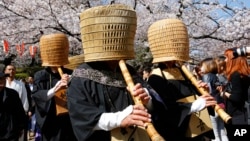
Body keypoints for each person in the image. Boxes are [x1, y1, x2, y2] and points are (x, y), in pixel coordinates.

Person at [67, 4, 162, 141]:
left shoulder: (130, 71)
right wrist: (120, 118)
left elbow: (154, 106)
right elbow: (82, 117)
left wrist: (147, 101)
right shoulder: (81, 75)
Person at [147, 18, 217, 141]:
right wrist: (194, 105)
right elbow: (164, 111)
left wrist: (204, 93)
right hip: (176, 134)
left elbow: (202, 103)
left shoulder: (185, 73)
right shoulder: (155, 78)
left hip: (197, 130)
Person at [32, 33, 77, 141]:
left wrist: (74, 83)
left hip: (69, 121)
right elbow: (37, 96)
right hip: (51, 122)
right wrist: (55, 89)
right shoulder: (41, 75)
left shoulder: (71, 73)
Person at [217, 48, 250, 140]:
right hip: (240, 115)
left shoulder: (236, 75)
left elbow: (236, 98)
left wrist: (223, 93)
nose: (225, 60)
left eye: (227, 57)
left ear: (233, 60)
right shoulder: (242, 75)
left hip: (238, 116)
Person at [199, 58, 228, 141]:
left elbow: (208, 92)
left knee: (215, 133)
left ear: (207, 66)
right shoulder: (216, 76)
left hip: (213, 106)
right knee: (222, 130)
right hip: (221, 104)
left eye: (202, 66)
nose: (200, 68)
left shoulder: (206, 77)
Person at [4, 64, 30, 141]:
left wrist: (24, 112)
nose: (11, 71)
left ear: (15, 71)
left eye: (13, 69)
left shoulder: (21, 84)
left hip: (16, 115)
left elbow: (24, 99)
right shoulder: (2, 83)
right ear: (5, 71)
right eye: (9, 69)